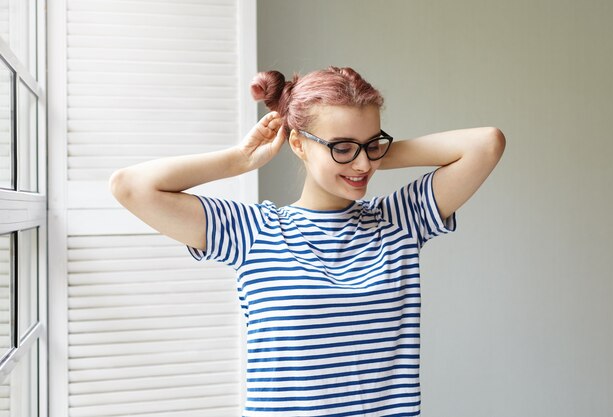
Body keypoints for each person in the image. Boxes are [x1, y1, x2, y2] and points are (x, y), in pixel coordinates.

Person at [110, 66, 505, 416]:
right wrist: (240, 159)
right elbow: (130, 186)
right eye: (342, 146)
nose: (364, 165)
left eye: (372, 144)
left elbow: (485, 144)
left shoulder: (399, 221)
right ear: (297, 144)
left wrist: (360, 153)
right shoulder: (253, 231)